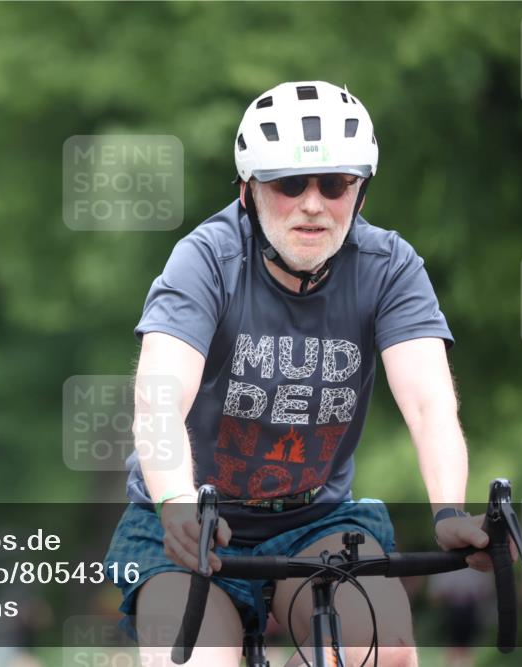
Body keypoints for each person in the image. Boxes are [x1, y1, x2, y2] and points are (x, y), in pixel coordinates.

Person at [104, 80, 494, 667]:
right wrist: (177, 503)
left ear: (359, 192)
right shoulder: (205, 259)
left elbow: (429, 404)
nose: (313, 204)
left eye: (334, 184)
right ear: (248, 191)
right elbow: (159, 399)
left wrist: (449, 511)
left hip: (319, 521)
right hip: (188, 523)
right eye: (289, 184)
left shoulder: (390, 267)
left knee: (382, 651)